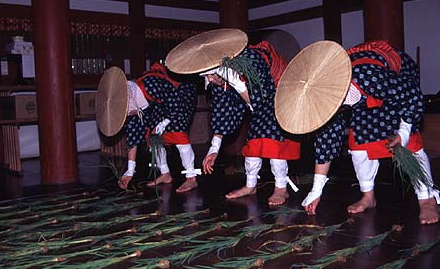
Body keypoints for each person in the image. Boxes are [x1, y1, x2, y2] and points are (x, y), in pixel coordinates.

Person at [276, 40, 439, 224]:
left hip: (395, 83)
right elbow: (326, 143)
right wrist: (316, 191)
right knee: (359, 143)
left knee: (410, 144)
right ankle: (368, 196)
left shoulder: (368, 76)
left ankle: (426, 198)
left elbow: (410, 96)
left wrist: (404, 132)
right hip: (361, 95)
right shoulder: (326, 101)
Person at [165, 29, 300, 205]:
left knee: (272, 141)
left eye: (212, 75)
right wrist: (214, 149)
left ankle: (281, 188)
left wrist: (236, 82)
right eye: (207, 77)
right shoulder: (219, 79)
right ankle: (250, 185)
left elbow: (259, 101)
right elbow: (223, 112)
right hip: (257, 97)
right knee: (253, 143)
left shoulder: (252, 62)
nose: (211, 80)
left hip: (279, 89)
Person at [98, 63, 200, 193]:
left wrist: (164, 122)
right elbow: (133, 135)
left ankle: (191, 177)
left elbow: (175, 104)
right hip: (158, 103)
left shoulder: (151, 85)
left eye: (128, 112)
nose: (128, 114)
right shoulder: (130, 104)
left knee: (177, 132)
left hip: (180, 92)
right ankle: (165, 173)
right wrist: (129, 172)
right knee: (152, 137)